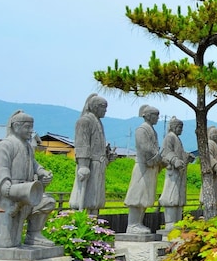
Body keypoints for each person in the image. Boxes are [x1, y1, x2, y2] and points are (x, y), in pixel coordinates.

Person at [0, 111, 57, 248]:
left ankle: (33, 235)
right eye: (27, 127)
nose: (31, 131)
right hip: (9, 196)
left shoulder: (28, 147)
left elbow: (35, 165)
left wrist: (43, 173)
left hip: (28, 193)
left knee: (47, 201)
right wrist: (5, 186)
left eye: (31, 127)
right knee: (5, 243)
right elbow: (0, 169)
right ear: (16, 126)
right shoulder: (6, 145)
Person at [70, 94, 114, 215]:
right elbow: (82, 144)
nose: (105, 110)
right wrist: (83, 165)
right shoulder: (84, 121)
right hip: (89, 164)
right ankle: (83, 221)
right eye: (103, 107)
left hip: (98, 165)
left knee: (95, 198)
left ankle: (94, 221)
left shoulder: (98, 122)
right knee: (85, 197)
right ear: (95, 107)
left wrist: (107, 157)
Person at [123, 105, 163, 234]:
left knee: (145, 197)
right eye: (155, 115)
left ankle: (138, 223)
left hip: (150, 167)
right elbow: (145, 147)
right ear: (148, 115)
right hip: (142, 166)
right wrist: (156, 156)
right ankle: (132, 224)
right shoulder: (142, 129)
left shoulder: (152, 130)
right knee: (137, 195)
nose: (157, 118)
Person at [158, 117, 193, 229]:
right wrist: (174, 160)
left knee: (178, 197)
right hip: (172, 172)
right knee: (171, 196)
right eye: (179, 127)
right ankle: (170, 222)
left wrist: (186, 157)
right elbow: (166, 151)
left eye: (181, 127)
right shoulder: (169, 137)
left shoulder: (177, 139)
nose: (181, 129)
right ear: (173, 127)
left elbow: (180, 153)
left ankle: (177, 221)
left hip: (180, 172)